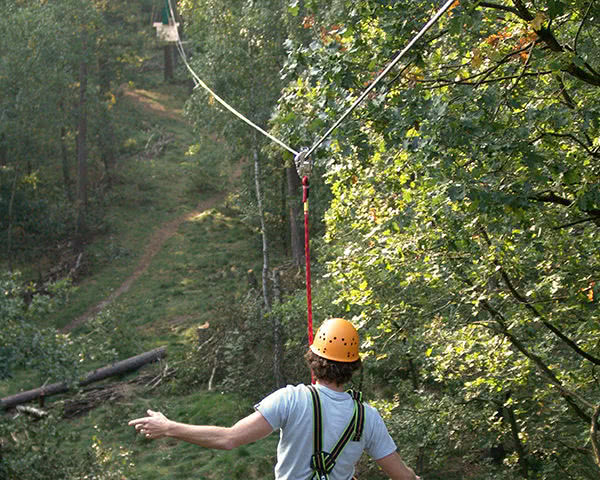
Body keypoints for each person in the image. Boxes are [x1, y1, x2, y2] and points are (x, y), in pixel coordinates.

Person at [128, 318, 420, 480]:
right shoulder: (367, 417)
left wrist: (169, 427)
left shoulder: (290, 400)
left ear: (313, 360)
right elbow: (402, 476)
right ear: (354, 366)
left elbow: (229, 439)